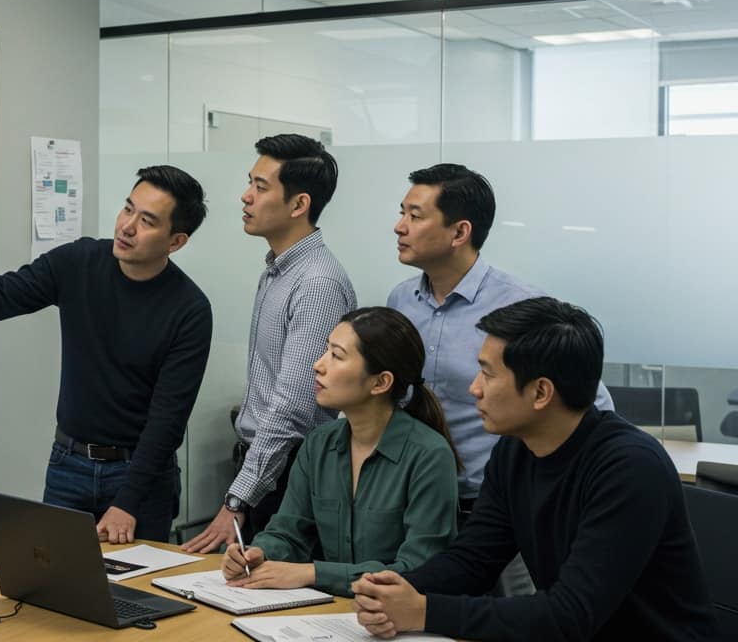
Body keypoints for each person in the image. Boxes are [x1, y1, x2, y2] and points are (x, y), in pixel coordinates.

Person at [351, 297, 715, 641]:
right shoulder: (515, 450)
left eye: (487, 374)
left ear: (541, 393)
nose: (474, 389)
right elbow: (473, 560)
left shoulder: (629, 467)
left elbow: (569, 615)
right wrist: (395, 589)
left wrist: (424, 611)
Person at [0, 165, 212, 544]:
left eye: (147, 221)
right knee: (54, 591)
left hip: (140, 478)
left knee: (137, 597)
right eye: (128, 209)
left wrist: (127, 502)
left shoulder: (189, 309)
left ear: (175, 242)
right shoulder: (79, 262)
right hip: (68, 465)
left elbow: (167, 422)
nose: (127, 226)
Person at [386, 164, 613, 595]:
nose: (399, 226)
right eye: (402, 213)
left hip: (498, 510)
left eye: (415, 216)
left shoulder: (521, 307)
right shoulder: (401, 300)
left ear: (459, 232)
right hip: (419, 504)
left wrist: (555, 494)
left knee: (517, 619)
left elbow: (592, 406)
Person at [184, 134, 355, 553]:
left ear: (299, 205)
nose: (246, 196)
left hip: (290, 474)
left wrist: (239, 497)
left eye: (261, 188)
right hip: (267, 468)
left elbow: (293, 409)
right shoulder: (279, 270)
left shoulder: (316, 284)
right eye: (250, 183)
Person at [219, 307, 460, 597]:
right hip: (328, 614)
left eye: (337, 356)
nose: (318, 365)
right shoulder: (319, 443)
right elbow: (289, 532)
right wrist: (258, 553)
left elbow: (417, 567)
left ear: (381, 382)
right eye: (325, 351)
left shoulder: (429, 455)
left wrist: (311, 572)